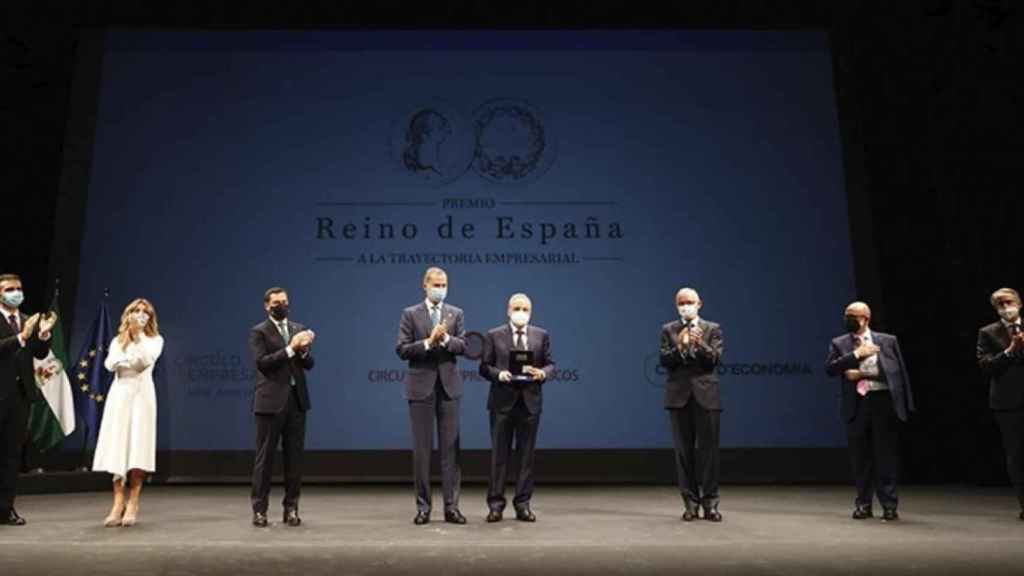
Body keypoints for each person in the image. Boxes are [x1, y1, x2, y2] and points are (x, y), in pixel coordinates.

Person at [825, 301, 914, 521]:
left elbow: (898, 373)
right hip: (858, 403)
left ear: (866, 318)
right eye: (846, 315)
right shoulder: (840, 343)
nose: (848, 320)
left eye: (853, 316)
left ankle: (890, 505)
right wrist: (856, 355)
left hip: (883, 401)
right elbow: (830, 368)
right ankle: (863, 504)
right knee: (861, 458)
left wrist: (865, 374)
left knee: (886, 456)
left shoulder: (887, 340)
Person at [395, 267, 467, 525]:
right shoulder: (410, 314)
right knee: (422, 451)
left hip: (448, 388)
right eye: (436, 284)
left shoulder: (455, 313)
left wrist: (445, 338)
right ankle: (423, 507)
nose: (441, 288)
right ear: (425, 285)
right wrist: (428, 342)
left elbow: (464, 346)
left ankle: (452, 507)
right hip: (420, 388)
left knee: (451, 451)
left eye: (444, 284)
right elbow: (402, 350)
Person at [478, 293, 554, 522]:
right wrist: (498, 374)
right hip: (502, 403)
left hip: (530, 403)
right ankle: (495, 505)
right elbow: (484, 367)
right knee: (499, 456)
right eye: (517, 308)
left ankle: (522, 504)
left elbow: (550, 363)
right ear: (508, 311)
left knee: (526, 457)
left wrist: (543, 373)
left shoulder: (541, 335)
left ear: (530, 312)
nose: (521, 312)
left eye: (525, 309)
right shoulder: (493, 335)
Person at [93, 298, 164, 527]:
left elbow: (143, 362)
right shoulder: (117, 340)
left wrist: (135, 339)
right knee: (118, 446)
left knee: (137, 446)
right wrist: (126, 354)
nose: (140, 315)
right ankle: (117, 502)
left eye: (145, 312)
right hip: (120, 395)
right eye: (136, 311)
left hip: (142, 396)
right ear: (128, 314)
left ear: (150, 318)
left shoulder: (155, 340)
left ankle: (133, 502)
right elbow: (110, 364)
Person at [249, 287, 315, 528]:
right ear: (267, 306)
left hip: (296, 401)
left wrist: (304, 349)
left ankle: (291, 508)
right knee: (265, 458)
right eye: (277, 303)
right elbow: (263, 364)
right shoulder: (259, 332)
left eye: (285, 302)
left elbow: (309, 364)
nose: (282, 306)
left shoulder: (298, 329)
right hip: (270, 402)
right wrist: (290, 349)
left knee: (294, 459)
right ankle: (259, 510)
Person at [659, 287, 725, 522]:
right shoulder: (669, 329)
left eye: (689, 302)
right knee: (684, 454)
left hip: (706, 396)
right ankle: (690, 504)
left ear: (699, 304)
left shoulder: (712, 329)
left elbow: (715, 360)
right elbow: (664, 360)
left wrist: (701, 344)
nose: (685, 306)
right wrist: (680, 346)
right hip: (679, 397)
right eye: (681, 303)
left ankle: (711, 504)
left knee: (709, 453)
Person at [0, 274, 54, 526]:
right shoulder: (21, 326)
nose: (16, 293)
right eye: (10, 289)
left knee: (11, 455)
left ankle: (5, 508)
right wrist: (21, 337)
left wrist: (42, 336)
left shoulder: (27, 319)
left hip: (20, 396)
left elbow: (39, 353)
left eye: (19, 288)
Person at [976, 287, 1024, 520]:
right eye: (1001, 305)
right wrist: (1010, 350)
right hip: (1007, 402)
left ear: (1019, 303)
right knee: (1016, 454)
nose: (1006, 308)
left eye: (1009, 302)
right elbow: (985, 366)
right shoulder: (988, 332)